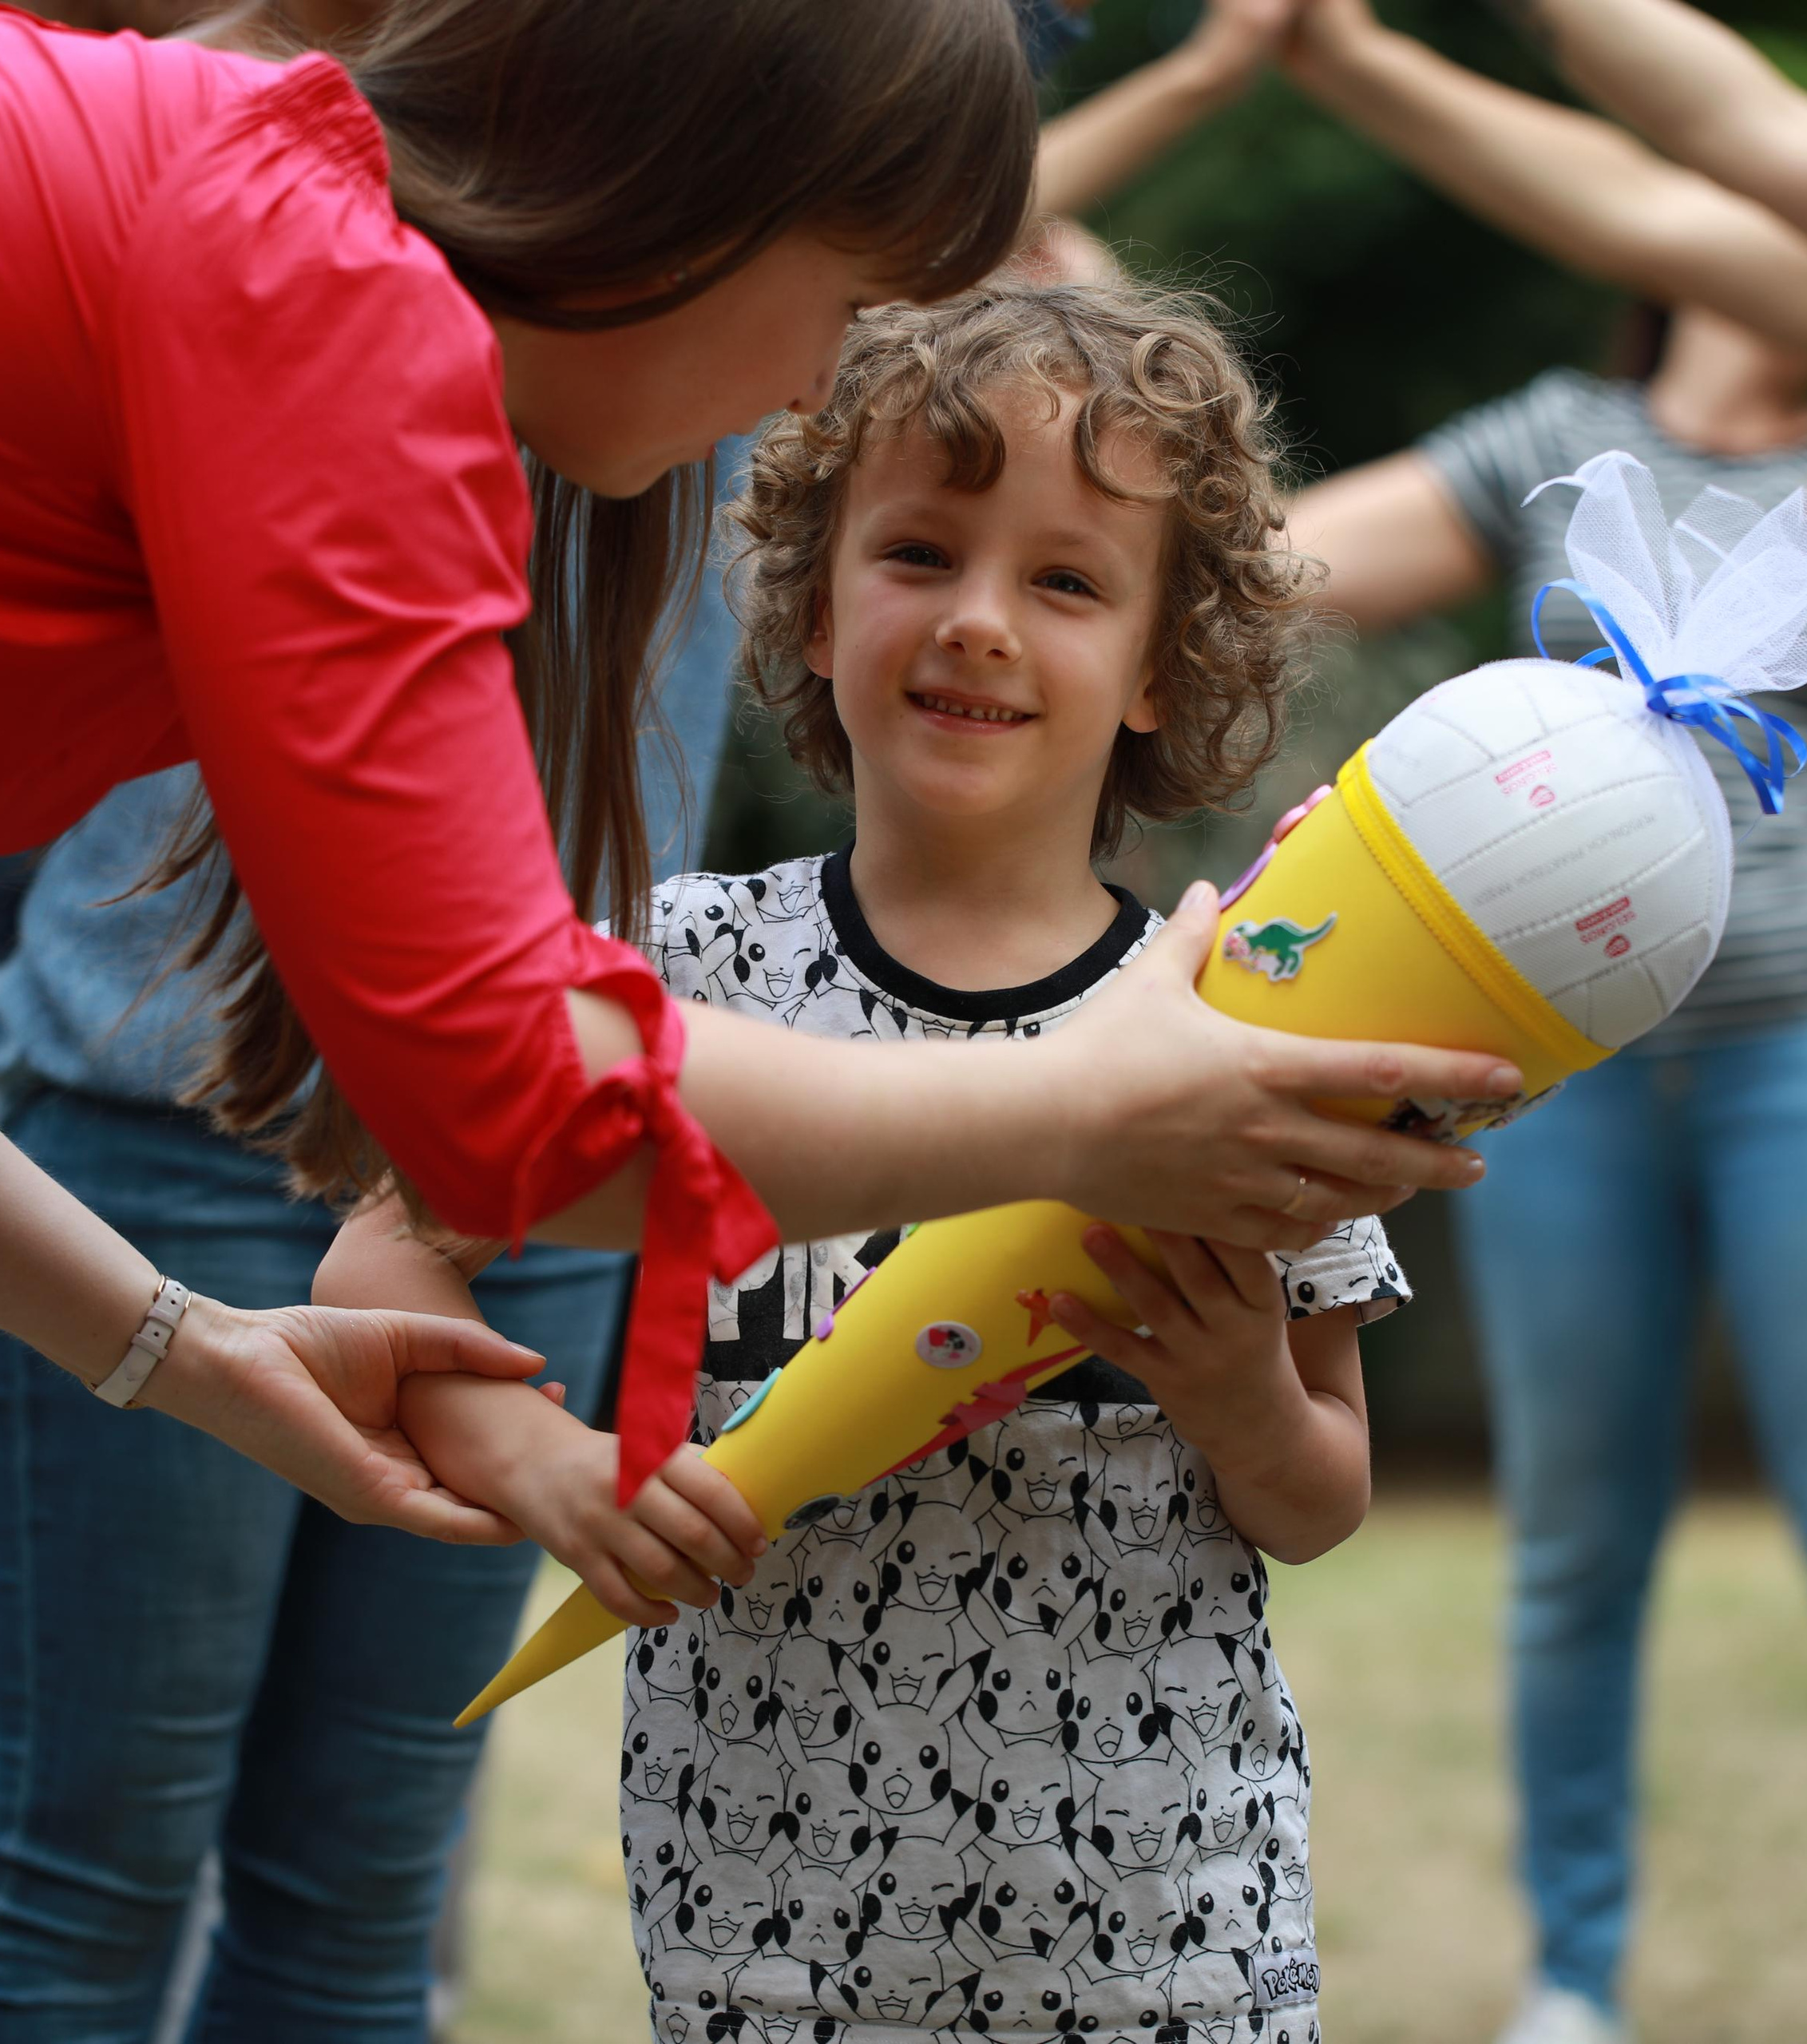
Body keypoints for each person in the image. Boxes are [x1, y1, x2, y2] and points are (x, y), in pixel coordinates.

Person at [0, 2, 1514, 1544]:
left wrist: (170, 1342)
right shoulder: (319, 304)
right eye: (851, 301)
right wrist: (1080, 1111)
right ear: (701, 196)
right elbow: (512, 1107)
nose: (809, 389)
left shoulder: (257, 234)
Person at [318, 275, 1397, 2040]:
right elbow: (378, 1258)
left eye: (1063, 581)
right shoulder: (677, 970)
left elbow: (1321, 1491)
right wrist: (536, 1454)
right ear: (814, 607)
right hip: (761, 1913)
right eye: (918, 552)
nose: (978, 620)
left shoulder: (1234, 1021)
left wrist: (1239, 1401)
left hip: (1162, 1923)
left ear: (1157, 664)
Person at [1256, 12, 1807, 2042]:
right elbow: (1279, 565)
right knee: (1572, 1531)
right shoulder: (1549, 451)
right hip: (1544, 1066)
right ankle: (1569, 1975)